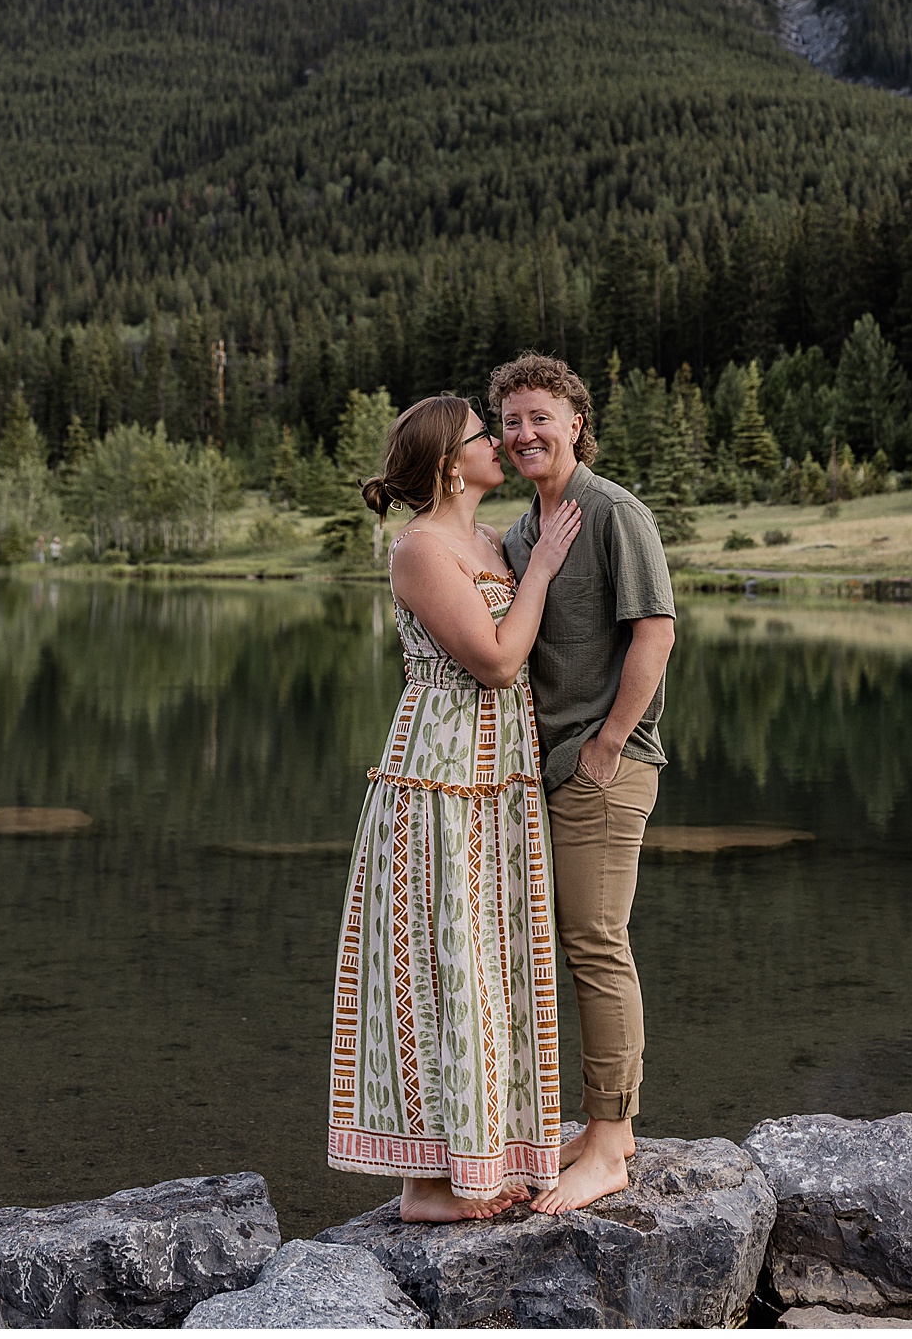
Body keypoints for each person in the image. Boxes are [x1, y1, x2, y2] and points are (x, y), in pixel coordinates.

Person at [328, 393, 582, 1223]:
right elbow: (498, 663)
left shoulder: (485, 540)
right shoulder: (421, 549)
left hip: (497, 782)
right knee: (441, 970)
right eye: (485, 435)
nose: (501, 446)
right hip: (438, 782)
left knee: (488, 969)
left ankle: (480, 1163)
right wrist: (540, 569)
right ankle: (422, 1187)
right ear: (448, 462)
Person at [491, 353, 676, 1214]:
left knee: (597, 943)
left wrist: (608, 746)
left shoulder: (612, 513)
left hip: (604, 767)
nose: (524, 433)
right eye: (510, 421)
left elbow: (655, 635)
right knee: (572, 947)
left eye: (540, 417)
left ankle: (607, 1146)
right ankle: (616, 1126)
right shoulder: (526, 531)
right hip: (548, 768)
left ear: (575, 422)